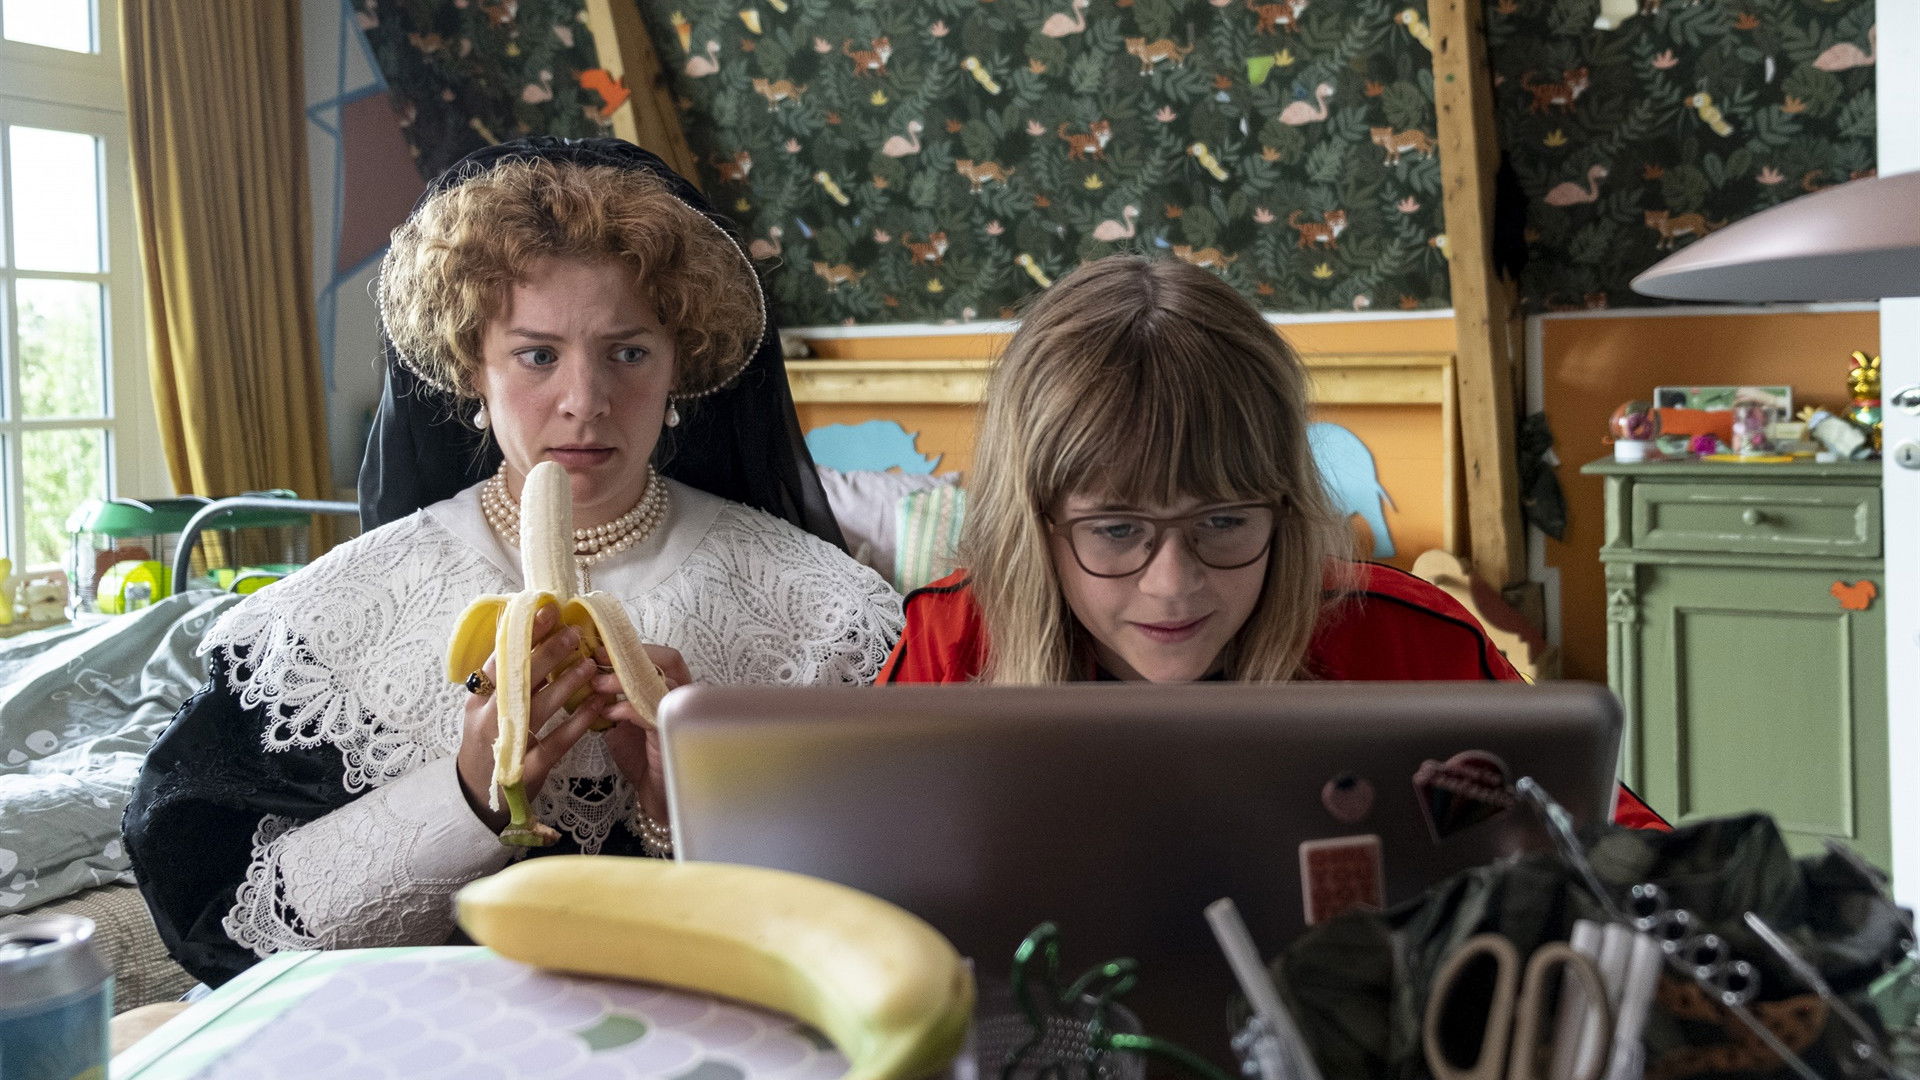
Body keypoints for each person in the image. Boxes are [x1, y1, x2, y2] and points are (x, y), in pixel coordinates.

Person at [124, 138, 903, 987]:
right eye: (538, 355)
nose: (585, 402)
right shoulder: (328, 620)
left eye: (629, 352)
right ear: (472, 367)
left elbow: (893, 912)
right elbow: (233, 928)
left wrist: (685, 813)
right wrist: (468, 793)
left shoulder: (827, 613)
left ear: (679, 361)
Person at [879, 255, 1666, 829]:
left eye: (1223, 522)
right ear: (1034, 524)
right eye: (1117, 530)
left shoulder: (1410, 644)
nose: (1172, 584)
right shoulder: (949, 645)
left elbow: (1630, 859)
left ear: (1285, 511)